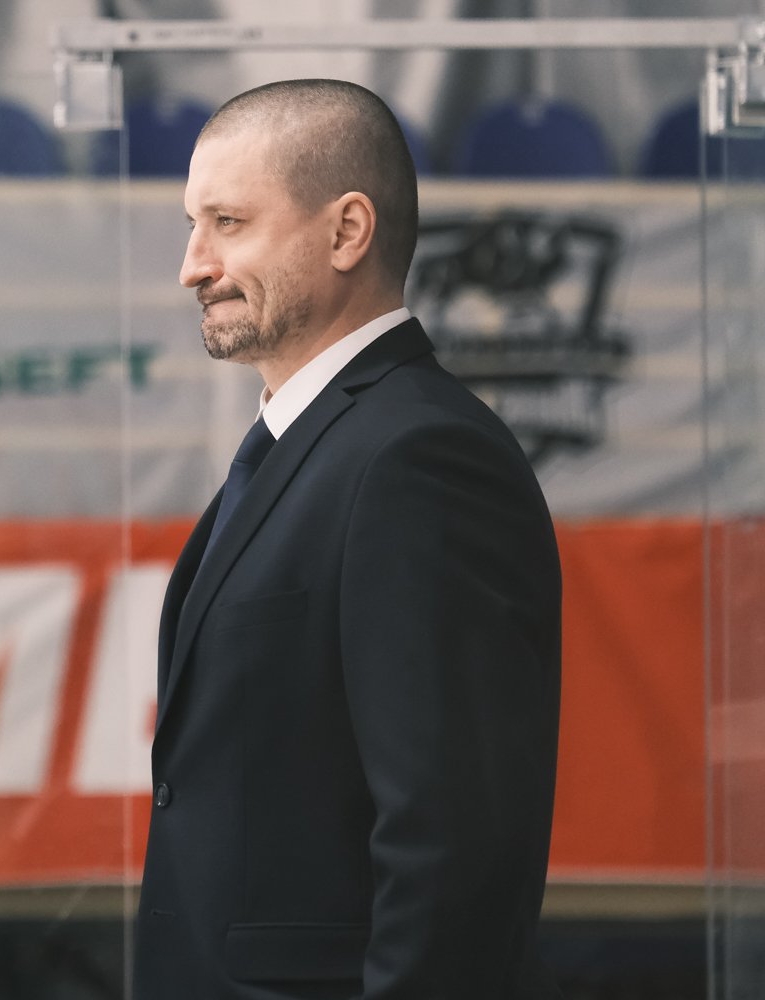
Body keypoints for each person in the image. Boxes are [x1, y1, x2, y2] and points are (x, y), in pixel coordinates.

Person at [136, 79, 562, 1000]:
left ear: (347, 232)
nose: (192, 266)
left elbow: (454, 845)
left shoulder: (421, 458)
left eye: (228, 223)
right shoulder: (320, 444)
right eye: (192, 225)